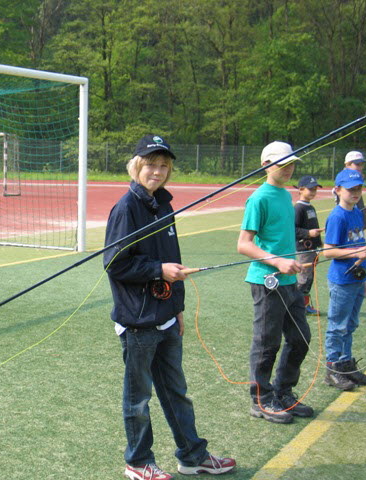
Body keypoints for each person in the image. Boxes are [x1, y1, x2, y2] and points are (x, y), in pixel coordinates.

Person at [104, 134, 236, 480]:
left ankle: (192, 456)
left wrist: (176, 306)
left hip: (164, 317)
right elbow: (115, 264)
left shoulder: (163, 204)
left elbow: (172, 259)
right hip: (138, 320)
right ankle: (138, 461)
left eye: (163, 166)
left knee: (176, 392)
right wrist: (158, 271)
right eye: (151, 165)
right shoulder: (126, 208)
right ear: (136, 165)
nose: (157, 171)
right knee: (138, 400)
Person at [236, 141, 313, 424]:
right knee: (267, 342)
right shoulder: (259, 198)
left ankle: (283, 392)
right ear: (266, 165)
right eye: (283, 165)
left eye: (292, 164)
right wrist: (278, 261)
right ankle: (261, 399)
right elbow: (243, 244)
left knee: (300, 338)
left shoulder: (284, 196)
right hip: (266, 280)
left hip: (289, 280)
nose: (289, 169)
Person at [322, 168, 366, 391]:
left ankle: (346, 364)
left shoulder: (356, 212)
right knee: (337, 325)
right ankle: (333, 369)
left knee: (350, 324)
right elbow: (328, 252)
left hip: (357, 278)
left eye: (358, 188)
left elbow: (356, 242)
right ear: (337, 190)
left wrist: (363, 275)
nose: (355, 192)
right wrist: (357, 254)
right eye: (350, 189)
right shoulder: (337, 216)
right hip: (342, 281)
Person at [294, 175, 325, 315]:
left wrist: (320, 243)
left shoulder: (310, 207)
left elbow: (314, 227)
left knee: (309, 278)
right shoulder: (298, 208)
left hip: (313, 249)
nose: (313, 192)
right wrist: (308, 233)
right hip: (304, 250)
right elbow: (292, 230)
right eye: (310, 189)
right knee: (304, 279)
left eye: (315, 189)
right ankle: (296, 306)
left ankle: (304, 305)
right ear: (301, 189)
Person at [333, 151, 366, 230]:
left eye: (362, 164)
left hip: (357, 213)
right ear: (347, 164)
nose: (360, 167)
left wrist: (362, 207)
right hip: (349, 216)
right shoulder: (343, 178)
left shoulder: (359, 176)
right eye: (357, 164)